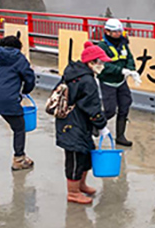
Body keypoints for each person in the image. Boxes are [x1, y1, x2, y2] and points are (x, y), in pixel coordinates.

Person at [56, 44, 109, 204]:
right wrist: (101, 124)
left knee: (86, 152)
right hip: (74, 123)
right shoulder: (87, 80)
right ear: (92, 62)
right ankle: (73, 192)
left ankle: (81, 185)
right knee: (75, 156)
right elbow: (92, 106)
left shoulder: (73, 73)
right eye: (101, 62)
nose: (103, 65)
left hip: (73, 121)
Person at [0, 35, 38, 171]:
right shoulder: (19, 58)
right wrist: (24, 91)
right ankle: (19, 159)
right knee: (19, 127)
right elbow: (29, 77)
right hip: (7, 98)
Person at [97, 18, 137, 147]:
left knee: (125, 105)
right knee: (110, 110)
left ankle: (120, 136)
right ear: (107, 32)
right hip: (108, 82)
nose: (118, 34)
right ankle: (94, 124)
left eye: (120, 31)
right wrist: (121, 70)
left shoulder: (123, 44)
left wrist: (131, 69)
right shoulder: (101, 47)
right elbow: (104, 66)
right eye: (115, 32)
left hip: (120, 82)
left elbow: (129, 57)